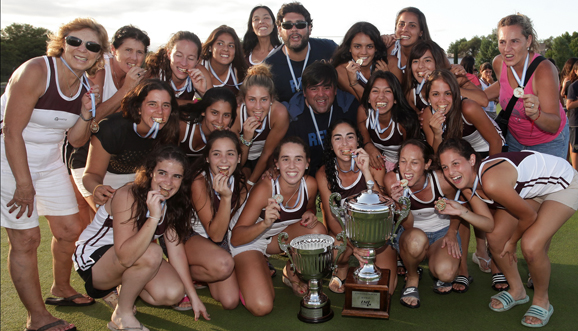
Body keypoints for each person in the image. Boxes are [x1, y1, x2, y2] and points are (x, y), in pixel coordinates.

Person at [1, 17, 108, 331]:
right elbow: (11, 132)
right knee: (26, 240)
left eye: (92, 46)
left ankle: (60, 289)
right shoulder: (37, 70)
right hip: (10, 157)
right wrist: (23, 184)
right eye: (75, 41)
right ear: (63, 41)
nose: (82, 49)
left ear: (98, 54)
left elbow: (75, 140)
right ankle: (36, 319)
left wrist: (87, 114)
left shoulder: (86, 85)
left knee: (68, 229)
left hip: (49, 161)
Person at [438, 138, 578, 327]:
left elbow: (528, 217)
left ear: (471, 160)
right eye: (445, 167)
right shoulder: (467, 186)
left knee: (531, 245)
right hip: (531, 190)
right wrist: (461, 211)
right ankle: (517, 290)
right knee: (495, 238)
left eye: (456, 163)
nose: (451, 173)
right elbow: (488, 225)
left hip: (564, 183)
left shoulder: (491, 182)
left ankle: (542, 300)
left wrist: (512, 242)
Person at [74, 145, 209, 330]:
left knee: (172, 293)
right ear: (150, 172)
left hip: (129, 257)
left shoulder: (170, 203)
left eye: (176, 176)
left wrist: (193, 297)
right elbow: (125, 256)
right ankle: (123, 314)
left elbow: (176, 254)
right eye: (162, 173)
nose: (168, 182)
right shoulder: (128, 195)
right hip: (94, 262)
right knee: (152, 252)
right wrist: (153, 217)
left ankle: (125, 286)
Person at [229, 137, 326, 316]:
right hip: (248, 242)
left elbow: (310, 205)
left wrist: (310, 212)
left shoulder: (310, 184)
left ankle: (291, 273)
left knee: (317, 230)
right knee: (262, 307)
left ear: (307, 163)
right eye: (285, 159)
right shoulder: (265, 188)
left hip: (276, 238)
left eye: (298, 159)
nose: (291, 165)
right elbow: (236, 238)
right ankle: (248, 270)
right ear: (277, 164)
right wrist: (265, 223)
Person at [70, 25, 150, 217]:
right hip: (85, 153)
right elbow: (91, 120)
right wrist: (126, 91)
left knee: (129, 217)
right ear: (114, 50)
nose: (134, 58)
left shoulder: (142, 77)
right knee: (90, 222)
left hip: (117, 158)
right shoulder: (99, 70)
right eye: (128, 50)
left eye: (140, 52)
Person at [316, 119, 392, 294]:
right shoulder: (324, 173)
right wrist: (355, 246)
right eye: (338, 138)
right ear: (330, 144)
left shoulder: (373, 164)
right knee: (337, 251)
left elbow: (385, 208)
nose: (344, 144)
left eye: (350, 137)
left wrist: (366, 172)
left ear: (358, 141)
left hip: (374, 232)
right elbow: (332, 218)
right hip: (344, 233)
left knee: (387, 290)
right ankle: (342, 267)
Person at [384, 139, 461, 309]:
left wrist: (452, 232)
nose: (407, 169)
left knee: (446, 274)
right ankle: (412, 276)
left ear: (427, 164)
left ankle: (434, 262)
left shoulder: (442, 180)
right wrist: (401, 203)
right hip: (412, 234)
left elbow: (460, 207)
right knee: (415, 240)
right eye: (403, 161)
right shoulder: (392, 180)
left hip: (441, 232)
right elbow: (409, 227)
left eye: (414, 162)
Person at [83, 79, 180, 206]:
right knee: (114, 217)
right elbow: (91, 173)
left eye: (166, 105)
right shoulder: (112, 129)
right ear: (138, 108)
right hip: (98, 171)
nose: (160, 111)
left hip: (137, 176)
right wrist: (97, 188)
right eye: (152, 104)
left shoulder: (170, 130)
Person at [484, 14, 568, 158]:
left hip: (547, 143)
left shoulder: (544, 70)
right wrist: (459, 83)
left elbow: (554, 125)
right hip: (515, 140)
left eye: (514, 41)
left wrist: (537, 115)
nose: (507, 49)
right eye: (502, 42)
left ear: (528, 40)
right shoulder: (499, 63)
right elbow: (502, 87)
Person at [184, 131, 249, 310]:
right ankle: (179, 271)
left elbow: (235, 226)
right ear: (207, 158)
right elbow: (215, 235)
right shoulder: (199, 181)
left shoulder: (239, 180)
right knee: (223, 265)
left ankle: (204, 273)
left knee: (230, 301)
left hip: (220, 238)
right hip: (192, 236)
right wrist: (226, 198)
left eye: (230, 153)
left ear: (238, 158)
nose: (223, 160)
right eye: (216, 154)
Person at [284, 61, 357, 175]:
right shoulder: (291, 116)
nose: (321, 94)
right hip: (306, 178)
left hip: (346, 173)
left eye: (326, 87)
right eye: (314, 89)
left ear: (335, 89)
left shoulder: (348, 107)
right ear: (304, 92)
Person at [264, 2, 337, 103]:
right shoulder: (269, 66)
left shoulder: (329, 49)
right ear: (279, 30)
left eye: (300, 25)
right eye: (287, 25)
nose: (294, 29)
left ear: (309, 28)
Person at [231, 64, 289, 185]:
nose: (258, 107)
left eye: (264, 99)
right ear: (243, 99)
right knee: (237, 183)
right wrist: (246, 139)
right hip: (241, 159)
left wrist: (250, 184)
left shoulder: (279, 113)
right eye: (252, 99)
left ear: (271, 99)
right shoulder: (236, 114)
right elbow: (235, 162)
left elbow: (267, 154)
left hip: (265, 159)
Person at [422, 69, 503, 156]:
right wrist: (437, 135)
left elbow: (496, 141)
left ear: (456, 94)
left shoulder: (468, 108)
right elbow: (436, 156)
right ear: (428, 98)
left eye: (448, 93)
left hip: (487, 151)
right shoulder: (428, 114)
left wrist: (488, 168)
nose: (442, 100)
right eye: (435, 94)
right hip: (460, 154)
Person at [357, 70, 420, 172]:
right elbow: (365, 140)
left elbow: (414, 154)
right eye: (375, 91)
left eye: (387, 91)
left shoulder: (404, 122)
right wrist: (369, 146)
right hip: (381, 160)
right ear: (368, 98)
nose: (381, 96)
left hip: (406, 162)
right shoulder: (363, 113)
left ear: (395, 99)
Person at [403, 41, 489, 113]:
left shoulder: (457, 78)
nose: (420, 66)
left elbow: (483, 101)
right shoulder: (412, 95)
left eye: (427, 60)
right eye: (415, 61)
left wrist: (445, 84)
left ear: (437, 62)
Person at [146, 31, 211, 103]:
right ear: (169, 54)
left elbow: (216, 107)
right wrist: (194, 104)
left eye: (191, 58)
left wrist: (203, 93)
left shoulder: (200, 74)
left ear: (197, 61)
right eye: (179, 55)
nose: (184, 63)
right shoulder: (154, 74)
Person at [331, 22, 389, 101]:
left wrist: (388, 78)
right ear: (349, 48)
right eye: (357, 46)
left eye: (369, 46)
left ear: (376, 48)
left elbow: (398, 101)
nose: (364, 52)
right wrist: (354, 83)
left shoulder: (390, 63)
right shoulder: (341, 70)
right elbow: (369, 102)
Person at [178, 87, 237, 161]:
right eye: (214, 113)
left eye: (226, 115)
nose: (220, 121)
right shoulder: (183, 126)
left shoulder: (226, 138)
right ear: (203, 111)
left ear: (231, 119)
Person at [386, 7, 433, 85]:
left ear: (421, 32)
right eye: (401, 24)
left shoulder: (432, 51)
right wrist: (378, 42)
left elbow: (449, 74)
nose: (405, 29)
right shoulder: (389, 49)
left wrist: (457, 68)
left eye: (412, 26)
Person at [201, 26, 247, 95]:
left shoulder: (239, 72)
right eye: (220, 44)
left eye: (231, 45)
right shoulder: (198, 65)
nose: (226, 49)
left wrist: (240, 98)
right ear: (210, 47)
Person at [566, 62, 578, 170]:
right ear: (575, 71)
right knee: (575, 149)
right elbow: (568, 105)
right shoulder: (574, 86)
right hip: (576, 123)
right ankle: (575, 172)